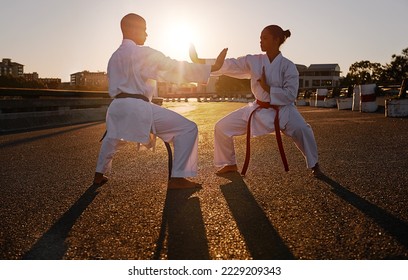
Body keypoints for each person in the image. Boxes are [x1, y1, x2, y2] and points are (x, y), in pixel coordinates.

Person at [93, 13, 227, 189]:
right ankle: (178, 177)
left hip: (117, 107)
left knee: (112, 138)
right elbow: (172, 66)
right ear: (132, 29)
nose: (147, 34)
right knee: (188, 128)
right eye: (144, 29)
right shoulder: (142, 53)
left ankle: (98, 175)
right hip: (137, 107)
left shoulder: (113, 57)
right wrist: (210, 68)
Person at [190, 24, 321, 177]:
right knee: (222, 127)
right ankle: (229, 164)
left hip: (284, 110)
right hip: (258, 109)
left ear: (276, 40)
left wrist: (268, 88)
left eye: (264, 38)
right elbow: (230, 64)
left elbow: (291, 94)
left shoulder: (288, 66)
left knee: (303, 130)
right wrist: (199, 61)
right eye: (260, 38)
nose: (260, 41)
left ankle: (315, 164)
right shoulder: (254, 61)